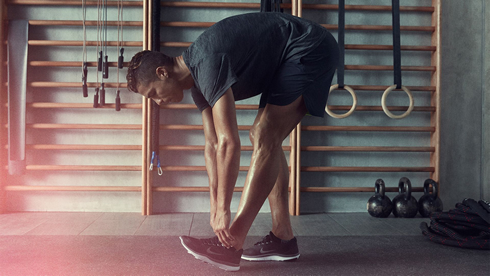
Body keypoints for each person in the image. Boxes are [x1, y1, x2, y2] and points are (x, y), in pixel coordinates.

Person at [126, 12, 339, 271]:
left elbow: (229, 143)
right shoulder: (196, 82)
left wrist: (225, 210)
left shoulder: (207, 63)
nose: (158, 102)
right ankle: (283, 238)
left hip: (309, 46)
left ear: (162, 73)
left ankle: (231, 245)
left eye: (153, 95)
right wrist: (215, 205)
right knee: (266, 137)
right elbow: (213, 144)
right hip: (286, 59)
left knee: (264, 135)